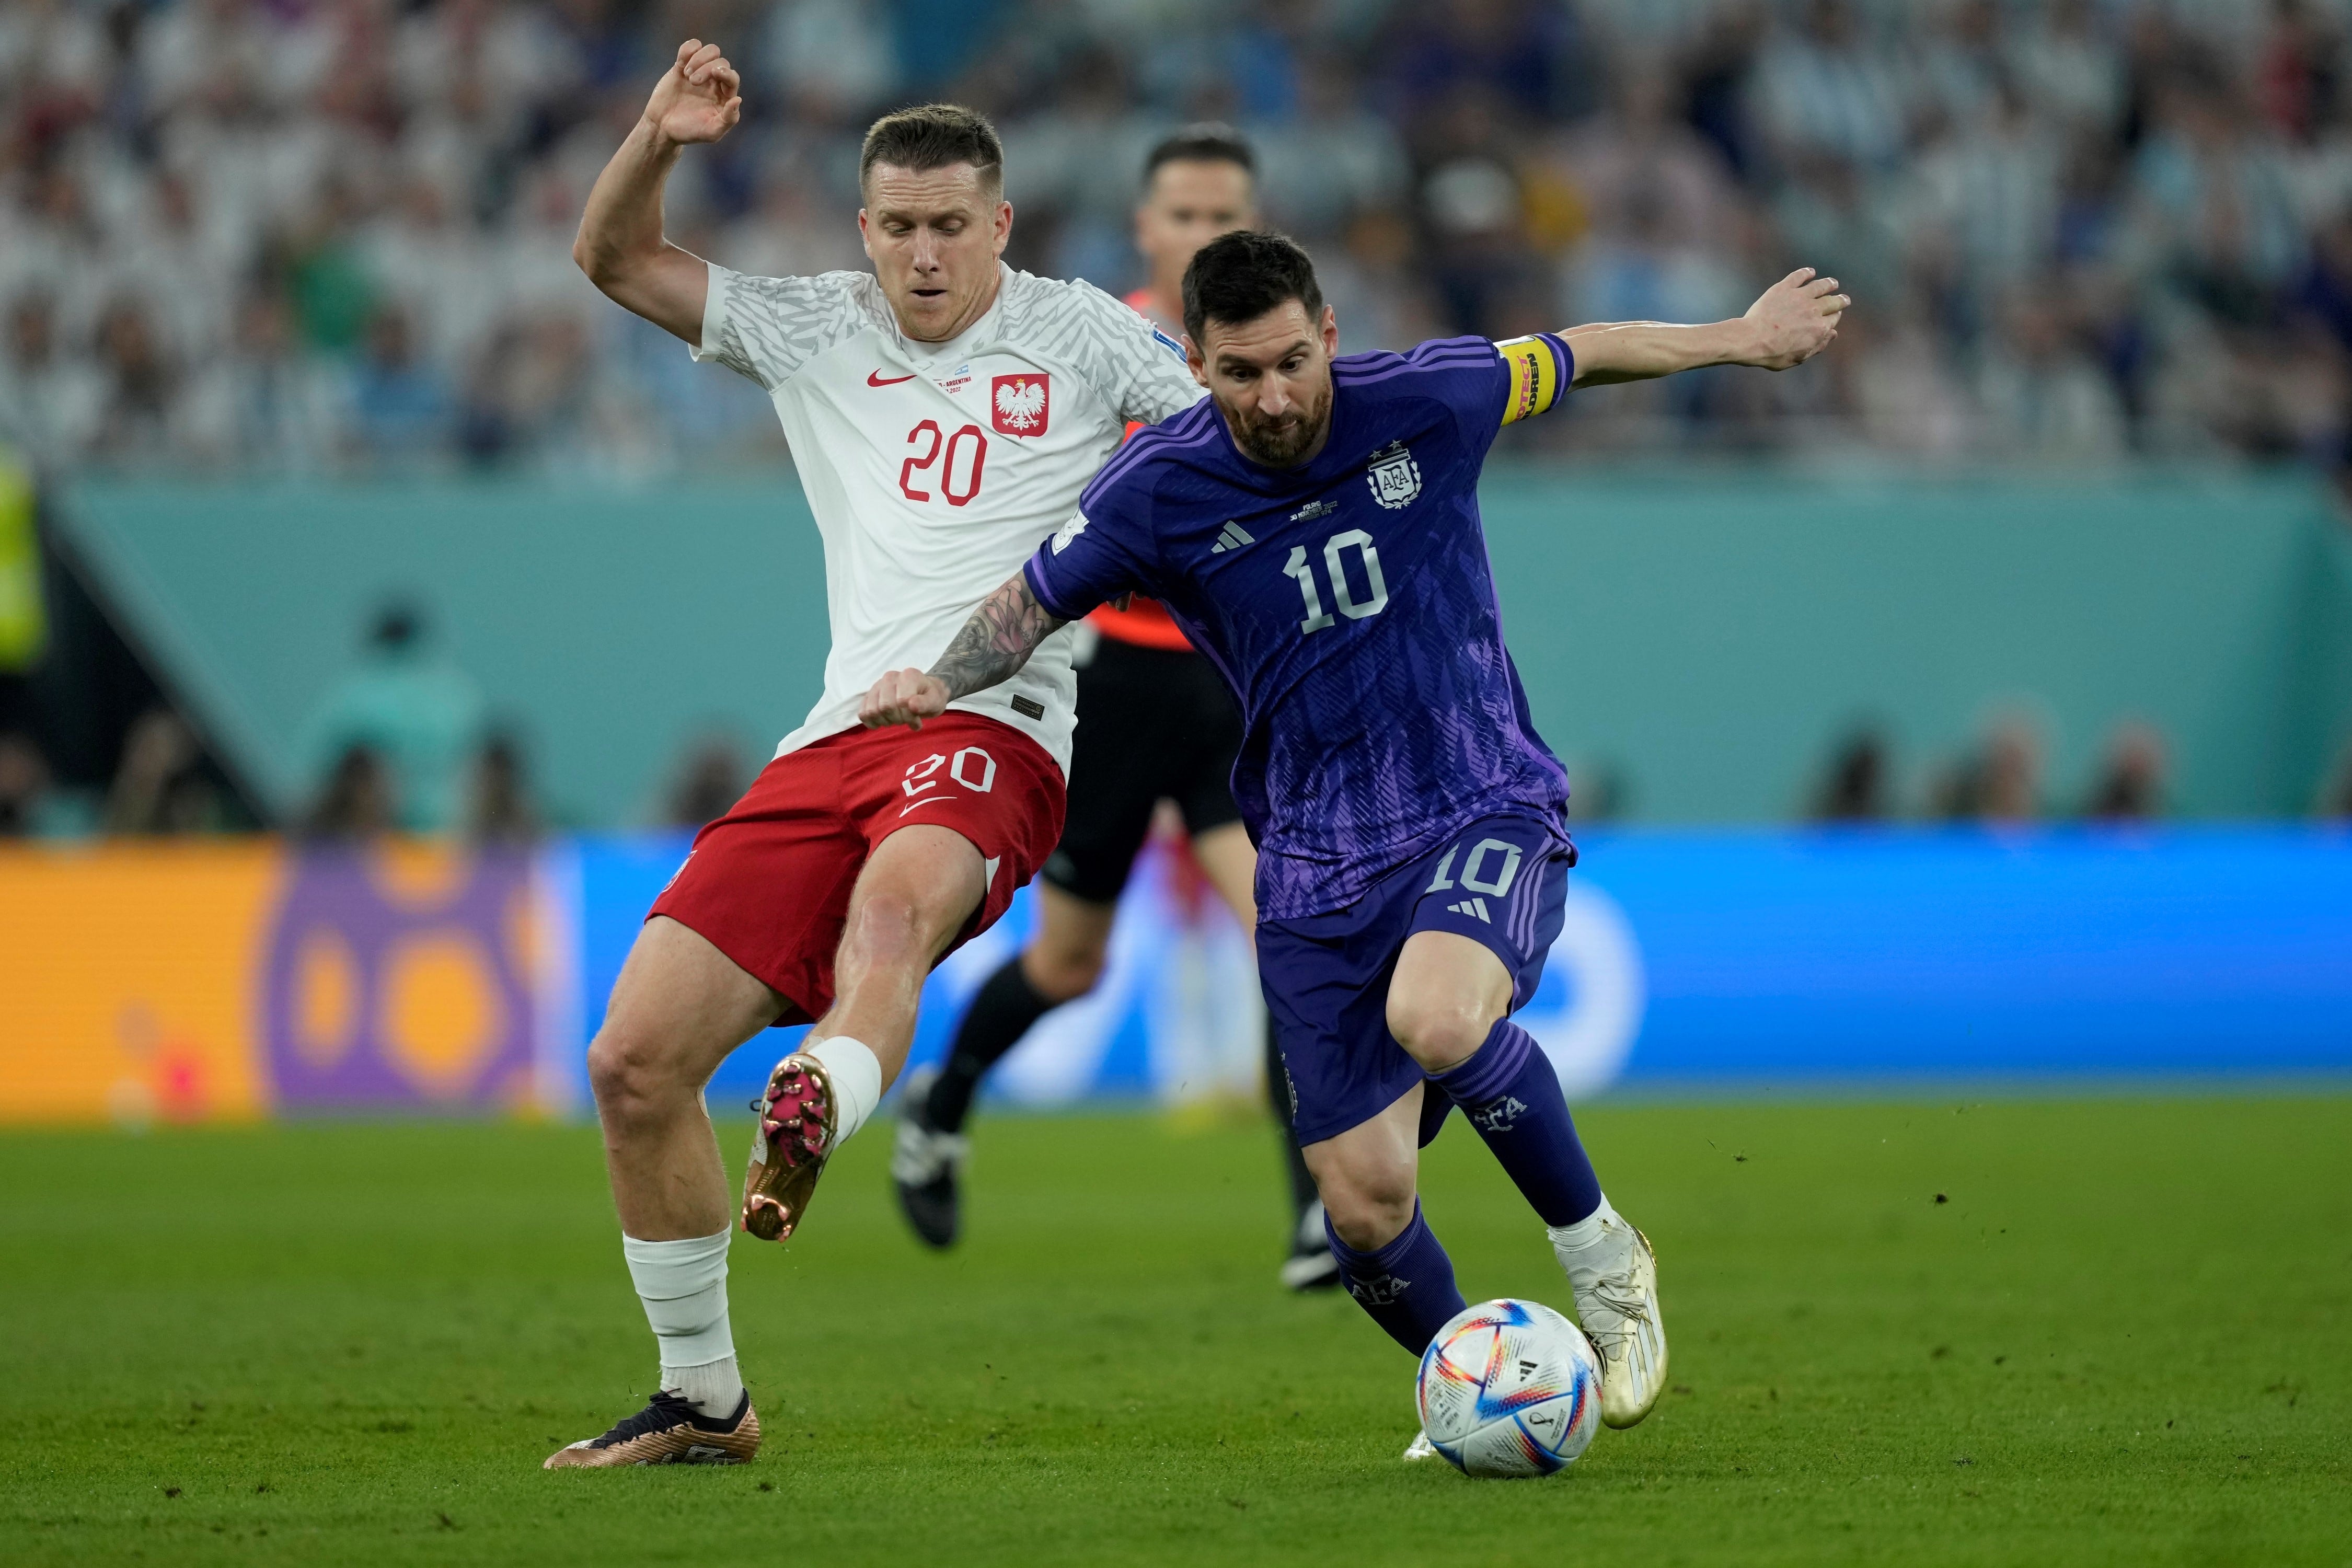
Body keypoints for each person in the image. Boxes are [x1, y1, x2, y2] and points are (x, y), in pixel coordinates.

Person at [861, 230, 1847, 1449]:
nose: (1272, 398)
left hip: (1477, 796)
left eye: (1290, 362)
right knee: (1365, 1208)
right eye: (1238, 374)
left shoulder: (1424, 397)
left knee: (1438, 1020)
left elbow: (1584, 350)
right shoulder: (1158, 489)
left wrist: (1739, 340)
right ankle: (1473, 1386)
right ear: (1197, 366)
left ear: (1326, 334)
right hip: (1318, 864)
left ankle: (1604, 1258)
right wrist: (934, 680)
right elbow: (1029, 600)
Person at [547, 42, 1202, 1469]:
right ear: (864, 230)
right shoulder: (811, 326)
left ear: (1000, 226)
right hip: (833, 734)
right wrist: (658, 134)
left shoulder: (1084, 337)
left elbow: (1233, 441)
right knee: (632, 1061)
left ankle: (820, 1103)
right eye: (897, 226)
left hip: (996, 731)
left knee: (894, 911)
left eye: (948, 225)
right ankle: (703, 1399)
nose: (921, 254)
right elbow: (609, 258)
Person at [891, 123, 1336, 1291]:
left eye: (1225, 217)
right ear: (1147, 229)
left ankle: (1317, 1213)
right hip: (1107, 682)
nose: (1205, 234)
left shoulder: (1267, 355)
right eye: (1184, 216)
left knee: (1281, 927)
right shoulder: (1099, 341)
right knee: (1073, 963)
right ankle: (944, 1097)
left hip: (1227, 680)